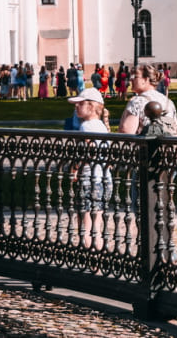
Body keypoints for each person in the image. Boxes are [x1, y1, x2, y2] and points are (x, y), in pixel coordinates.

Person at [69, 88, 113, 248]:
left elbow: (88, 152)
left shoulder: (86, 126)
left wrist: (76, 168)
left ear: (92, 106)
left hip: (90, 179)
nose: (76, 107)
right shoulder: (101, 125)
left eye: (80, 104)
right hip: (105, 179)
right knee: (96, 228)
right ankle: (99, 261)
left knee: (85, 229)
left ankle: (94, 265)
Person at [119, 64, 177, 135]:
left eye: (135, 77)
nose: (131, 79)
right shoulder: (168, 102)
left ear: (145, 79)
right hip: (167, 145)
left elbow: (126, 132)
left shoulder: (137, 101)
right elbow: (175, 128)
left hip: (144, 144)